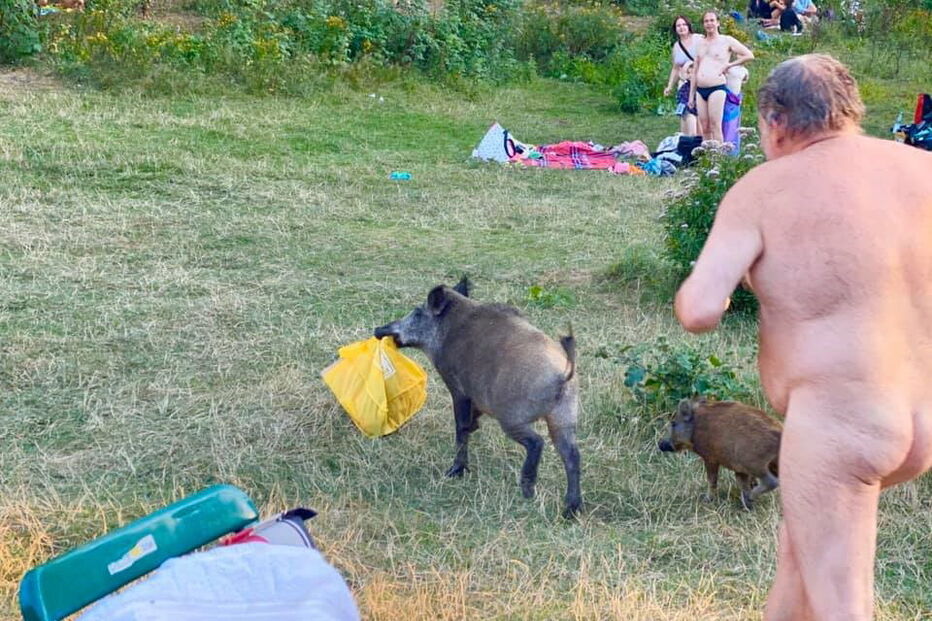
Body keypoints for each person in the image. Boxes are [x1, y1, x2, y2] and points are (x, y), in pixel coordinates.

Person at [674, 54, 932, 621]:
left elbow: (698, 310)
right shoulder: (922, 168)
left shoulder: (764, 187)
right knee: (802, 558)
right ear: (852, 109)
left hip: (839, 424)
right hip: (918, 415)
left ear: (773, 120)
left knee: (843, 606)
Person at [689, 11, 754, 142]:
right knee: (704, 126)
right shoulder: (700, 43)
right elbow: (695, 70)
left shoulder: (726, 40)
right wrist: (691, 95)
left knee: (715, 125)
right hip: (700, 90)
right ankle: (708, 157)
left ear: (718, 23)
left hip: (716, 87)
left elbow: (749, 55)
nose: (709, 24)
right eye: (706, 21)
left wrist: (729, 65)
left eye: (712, 20)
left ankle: (719, 159)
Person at [663, 15, 703, 136]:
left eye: (684, 24)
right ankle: (687, 139)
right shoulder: (676, 46)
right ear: (675, 29)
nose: (681, 28)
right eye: (678, 26)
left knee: (699, 115)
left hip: (700, 82)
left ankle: (699, 141)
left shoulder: (698, 39)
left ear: (688, 26)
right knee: (686, 113)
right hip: (684, 83)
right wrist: (669, 86)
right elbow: (675, 68)